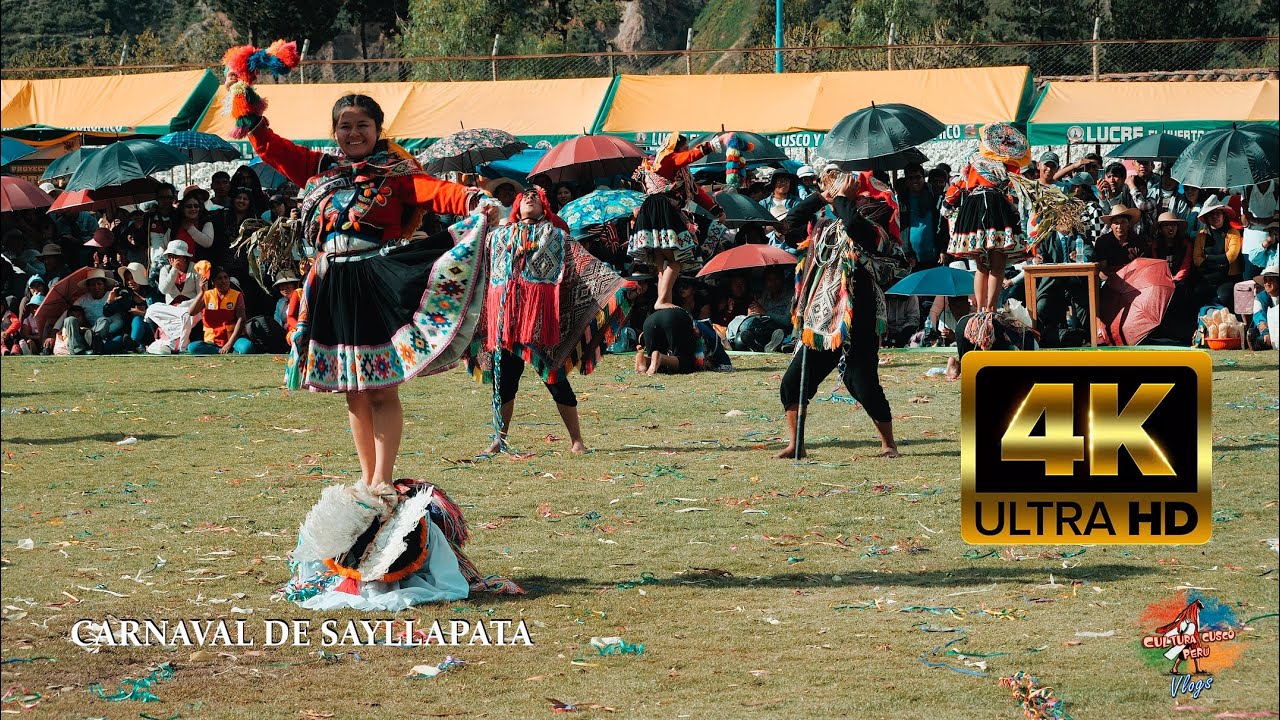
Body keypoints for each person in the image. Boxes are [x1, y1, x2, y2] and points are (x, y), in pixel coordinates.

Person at [466, 187, 633, 455]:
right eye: (524, 197)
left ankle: (577, 440)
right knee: (505, 382)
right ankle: (499, 439)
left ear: (545, 208)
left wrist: (619, 286)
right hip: (505, 322)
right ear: (516, 208)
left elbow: (586, 267)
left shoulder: (557, 237)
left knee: (555, 378)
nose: (529, 198)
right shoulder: (497, 238)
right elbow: (473, 257)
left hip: (542, 322)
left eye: (535, 197)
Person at [777, 172, 898, 459]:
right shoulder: (825, 227)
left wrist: (844, 201)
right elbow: (788, 225)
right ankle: (797, 444)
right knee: (793, 383)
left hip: (860, 313)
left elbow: (855, 225)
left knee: (861, 383)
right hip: (821, 316)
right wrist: (821, 198)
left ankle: (889, 444)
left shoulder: (876, 230)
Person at [944, 122, 1032, 341]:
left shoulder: (973, 159)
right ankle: (990, 311)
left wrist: (949, 204)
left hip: (973, 206)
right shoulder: (1008, 161)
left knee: (981, 264)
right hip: (994, 204)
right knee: (997, 261)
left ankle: (981, 310)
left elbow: (956, 190)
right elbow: (1012, 186)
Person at [629, 132, 726, 309]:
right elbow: (688, 157)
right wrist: (712, 145)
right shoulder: (666, 160)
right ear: (675, 148)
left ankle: (662, 299)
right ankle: (663, 300)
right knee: (675, 259)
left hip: (657, 210)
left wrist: (716, 209)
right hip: (662, 210)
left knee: (662, 262)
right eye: (684, 148)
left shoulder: (681, 172)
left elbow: (696, 193)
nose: (687, 151)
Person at [1031, 214, 1093, 346]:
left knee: (1083, 305)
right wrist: (1036, 260)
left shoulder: (1079, 235)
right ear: (1055, 222)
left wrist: (1081, 257)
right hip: (1052, 285)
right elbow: (1039, 255)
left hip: (1076, 283)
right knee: (1041, 306)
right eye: (1062, 218)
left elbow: (1090, 253)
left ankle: (1084, 339)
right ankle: (1046, 339)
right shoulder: (1048, 237)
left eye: (1068, 218)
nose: (1066, 221)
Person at [187, 266, 254, 354]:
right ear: (213, 282)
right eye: (219, 278)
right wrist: (201, 292)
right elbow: (191, 312)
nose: (223, 281)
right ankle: (224, 352)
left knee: (247, 347)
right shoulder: (207, 295)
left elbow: (241, 320)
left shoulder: (237, 295)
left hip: (232, 340)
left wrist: (229, 344)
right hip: (212, 341)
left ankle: (229, 350)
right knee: (192, 347)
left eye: (226, 277)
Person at [1192, 196, 1244, 307]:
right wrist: (1220, 262)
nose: (1214, 216)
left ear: (1224, 215)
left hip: (1227, 278)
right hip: (1207, 277)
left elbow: (1231, 257)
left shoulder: (1233, 233)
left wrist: (1207, 258)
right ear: (1206, 218)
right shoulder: (1201, 235)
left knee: (1223, 298)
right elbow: (1196, 259)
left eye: (1217, 213)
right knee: (1197, 293)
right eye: (1211, 214)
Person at [898, 163, 947, 272]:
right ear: (906, 180)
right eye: (910, 178)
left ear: (923, 178)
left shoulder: (934, 197)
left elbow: (942, 225)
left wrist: (943, 250)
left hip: (934, 256)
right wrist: (906, 251)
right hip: (911, 258)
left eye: (918, 177)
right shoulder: (902, 201)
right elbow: (901, 227)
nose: (915, 181)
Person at [636, 306, 704, 375]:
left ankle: (645, 360)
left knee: (659, 365)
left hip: (649, 320)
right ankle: (661, 357)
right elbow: (699, 357)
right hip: (675, 317)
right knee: (686, 361)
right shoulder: (704, 328)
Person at [113, 262, 155, 351]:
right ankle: (134, 345)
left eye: (133, 278)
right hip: (128, 333)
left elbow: (159, 316)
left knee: (137, 319)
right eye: (127, 279)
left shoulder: (152, 294)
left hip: (151, 331)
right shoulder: (124, 295)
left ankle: (133, 343)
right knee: (114, 343)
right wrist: (109, 302)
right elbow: (108, 312)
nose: (130, 282)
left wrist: (142, 314)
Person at [172, 189, 217, 261]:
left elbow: (207, 243)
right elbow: (166, 244)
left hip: (200, 267)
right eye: (189, 206)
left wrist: (190, 228)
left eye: (196, 206)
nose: (193, 209)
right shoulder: (176, 224)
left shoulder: (206, 222)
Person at [158, 240, 201, 305]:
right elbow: (164, 290)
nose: (171, 259)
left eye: (175, 255)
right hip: (171, 308)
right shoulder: (165, 269)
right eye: (169, 255)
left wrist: (184, 305)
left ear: (184, 257)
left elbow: (201, 294)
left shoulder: (196, 268)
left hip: (191, 307)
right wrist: (174, 269)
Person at [1250, 265, 1278, 350]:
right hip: (1265, 331)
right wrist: (1266, 332)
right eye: (1265, 281)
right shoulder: (1260, 298)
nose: (1267, 283)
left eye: (1271, 280)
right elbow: (1259, 316)